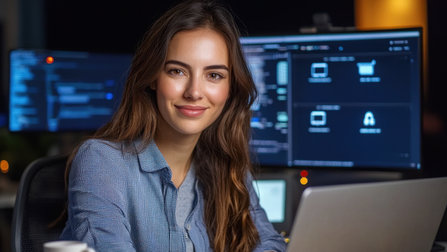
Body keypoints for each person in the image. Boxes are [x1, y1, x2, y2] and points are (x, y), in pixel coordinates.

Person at [60, 0, 287, 251]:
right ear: (153, 77)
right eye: (177, 71)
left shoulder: (227, 166)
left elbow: (271, 243)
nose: (194, 92)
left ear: (230, 88)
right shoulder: (101, 161)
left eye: (214, 75)